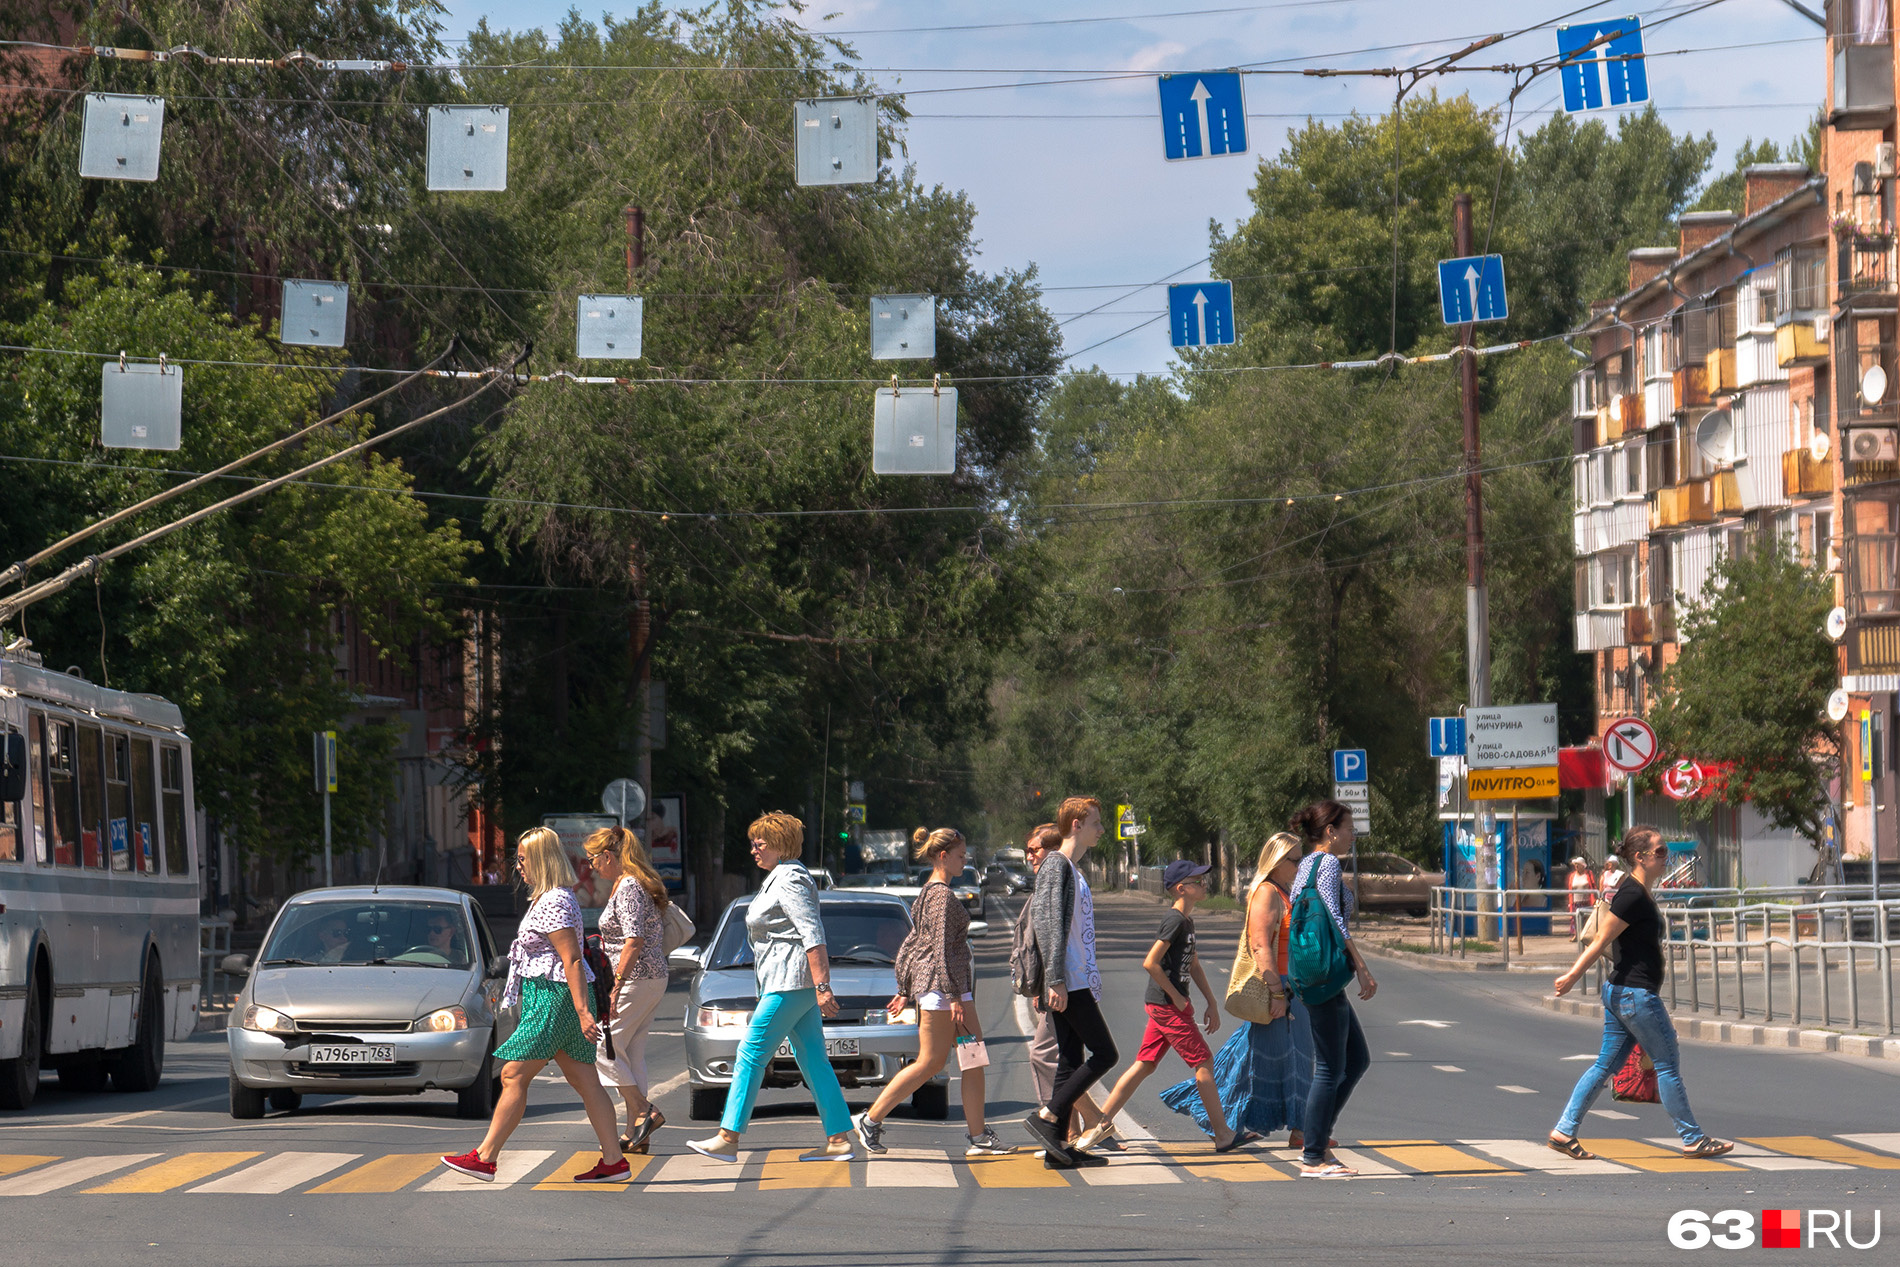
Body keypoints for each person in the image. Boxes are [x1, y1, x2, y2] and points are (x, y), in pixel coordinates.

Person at [442, 828, 628, 1183]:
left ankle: (485, 1158)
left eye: (523, 859)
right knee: (585, 1079)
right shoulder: (554, 897)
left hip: (554, 998)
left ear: (541, 859)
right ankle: (614, 1161)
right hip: (556, 996)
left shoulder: (555, 901)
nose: (518, 866)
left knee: (512, 1075)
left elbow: (571, 959)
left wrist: (583, 1011)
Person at [1547, 826, 1734, 1161]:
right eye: (1660, 852)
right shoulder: (1631, 894)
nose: (1666, 857)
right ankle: (1692, 1138)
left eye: (1665, 851)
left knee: (1605, 1066)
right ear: (1640, 857)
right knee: (1667, 1065)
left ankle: (1564, 1131)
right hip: (1635, 994)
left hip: (1622, 992)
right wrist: (1573, 975)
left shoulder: (1640, 892)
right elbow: (1601, 939)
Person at [688, 812, 854, 1162]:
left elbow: (812, 932)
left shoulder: (790, 878)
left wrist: (823, 986)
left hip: (790, 981)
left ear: (780, 845)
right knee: (812, 1058)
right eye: (753, 843)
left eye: (759, 844)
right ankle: (839, 1140)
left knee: (750, 1053)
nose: (753, 850)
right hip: (787, 981)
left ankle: (728, 1137)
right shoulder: (778, 878)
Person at [1077, 860, 1251, 1153]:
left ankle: (1098, 1125)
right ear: (1182, 889)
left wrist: (1210, 1001)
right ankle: (1222, 1134)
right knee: (1204, 1063)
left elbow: (1192, 963)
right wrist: (1177, 997)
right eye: (1198, 881)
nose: (1204, 885)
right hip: (1166, 1006)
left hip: (1163, 1005)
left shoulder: (1187, 921)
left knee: (1145, 1064)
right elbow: (1151, 962)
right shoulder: (1175, 921)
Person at [853, 828, 1007, 1158]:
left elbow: (913, 944)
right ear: (942, 856)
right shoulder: (940, 897)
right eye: (960, 855)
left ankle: (979, 1136)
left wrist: (905, 989)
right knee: (931, 1062)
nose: (965, 860)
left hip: (949, 990)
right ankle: (869, 1119)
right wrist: (952, 997)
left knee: (972, 1059)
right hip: (944, 992)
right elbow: (937, 949)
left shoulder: (929, 893)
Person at [1160, 830, 1318, 1149]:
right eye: (1295, 859)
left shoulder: (1285, 890)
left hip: (1294, 984)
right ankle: (1301, 1129)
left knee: (1264, 1056)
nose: (1301, 865)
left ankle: (1293, 1127)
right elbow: (1260, 945)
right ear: (1276, 862)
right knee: (1287, 1057)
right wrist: (1276, 993)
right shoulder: (1266, 892)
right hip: (1279, 986)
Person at [1022, 796, 1116, 1169]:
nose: (1101, 829)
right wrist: (1056, 979)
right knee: (1106, 1054)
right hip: (1068, 979)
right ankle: (1047, 1116)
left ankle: (1057, 1148)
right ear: (1076, 824)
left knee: (1069, 1060)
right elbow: (1046, 924)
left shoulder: (1072, 869)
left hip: (1075, 977)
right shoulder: (1056, 865)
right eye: (1096, 822)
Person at [1287, 800, 1377, 1180]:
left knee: (1355, 1059)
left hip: (1314, 973)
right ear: (1330, 831)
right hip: (1325, 973)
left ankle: (1319, 1140)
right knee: (1329, 1067)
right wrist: (1361, 966)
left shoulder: (1305, 865)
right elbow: (1336, 917)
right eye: (1348, 826)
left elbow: (1300, 909)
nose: (1352, 833)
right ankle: (1313, 1156)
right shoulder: (1326, 864)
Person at [586, 825, 671, 1154]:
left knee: (604, 1048)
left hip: (635, 978)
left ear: (609, 856)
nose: (592, 865)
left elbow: (633, 940)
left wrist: (615, 987)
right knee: (631, 1051)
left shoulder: (629, 886)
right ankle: (638, 1135)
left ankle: (642, 1110)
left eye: (594, 858)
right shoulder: (633, 884)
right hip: (649, 977)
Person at [1566, 856, 1598, 938]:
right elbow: (1570, 889)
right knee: (1575, 919)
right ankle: (1576, 934)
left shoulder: (1588, 874)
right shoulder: (1572, 876)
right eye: (1575, 865)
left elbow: (1593, 885)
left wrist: (1595, 898)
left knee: (1586, 920)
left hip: (1586, 901)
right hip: (1575, 901)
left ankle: (1585, 935)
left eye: (1578, 865)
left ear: (1583, 866)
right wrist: (1570, 901)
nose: (1576, 866)